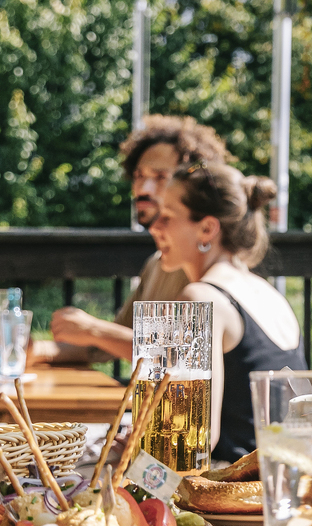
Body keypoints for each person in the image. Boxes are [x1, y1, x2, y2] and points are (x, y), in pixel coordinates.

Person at [28, 116, 231, 364]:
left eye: (160, 177)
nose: (143, 188)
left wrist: (95, 329)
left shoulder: (217, 272)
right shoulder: (158, 263)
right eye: (138, 175)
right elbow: (107, 346)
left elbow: (179, 358)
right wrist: (36, 350)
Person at [148, 162, 306, 461]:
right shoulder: (268, 292)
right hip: (279, 484)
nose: (155, 226)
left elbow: (187, 440)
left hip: (224, 493)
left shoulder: (199, 298)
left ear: (207, 228)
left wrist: (134, 454)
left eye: (167, 216)